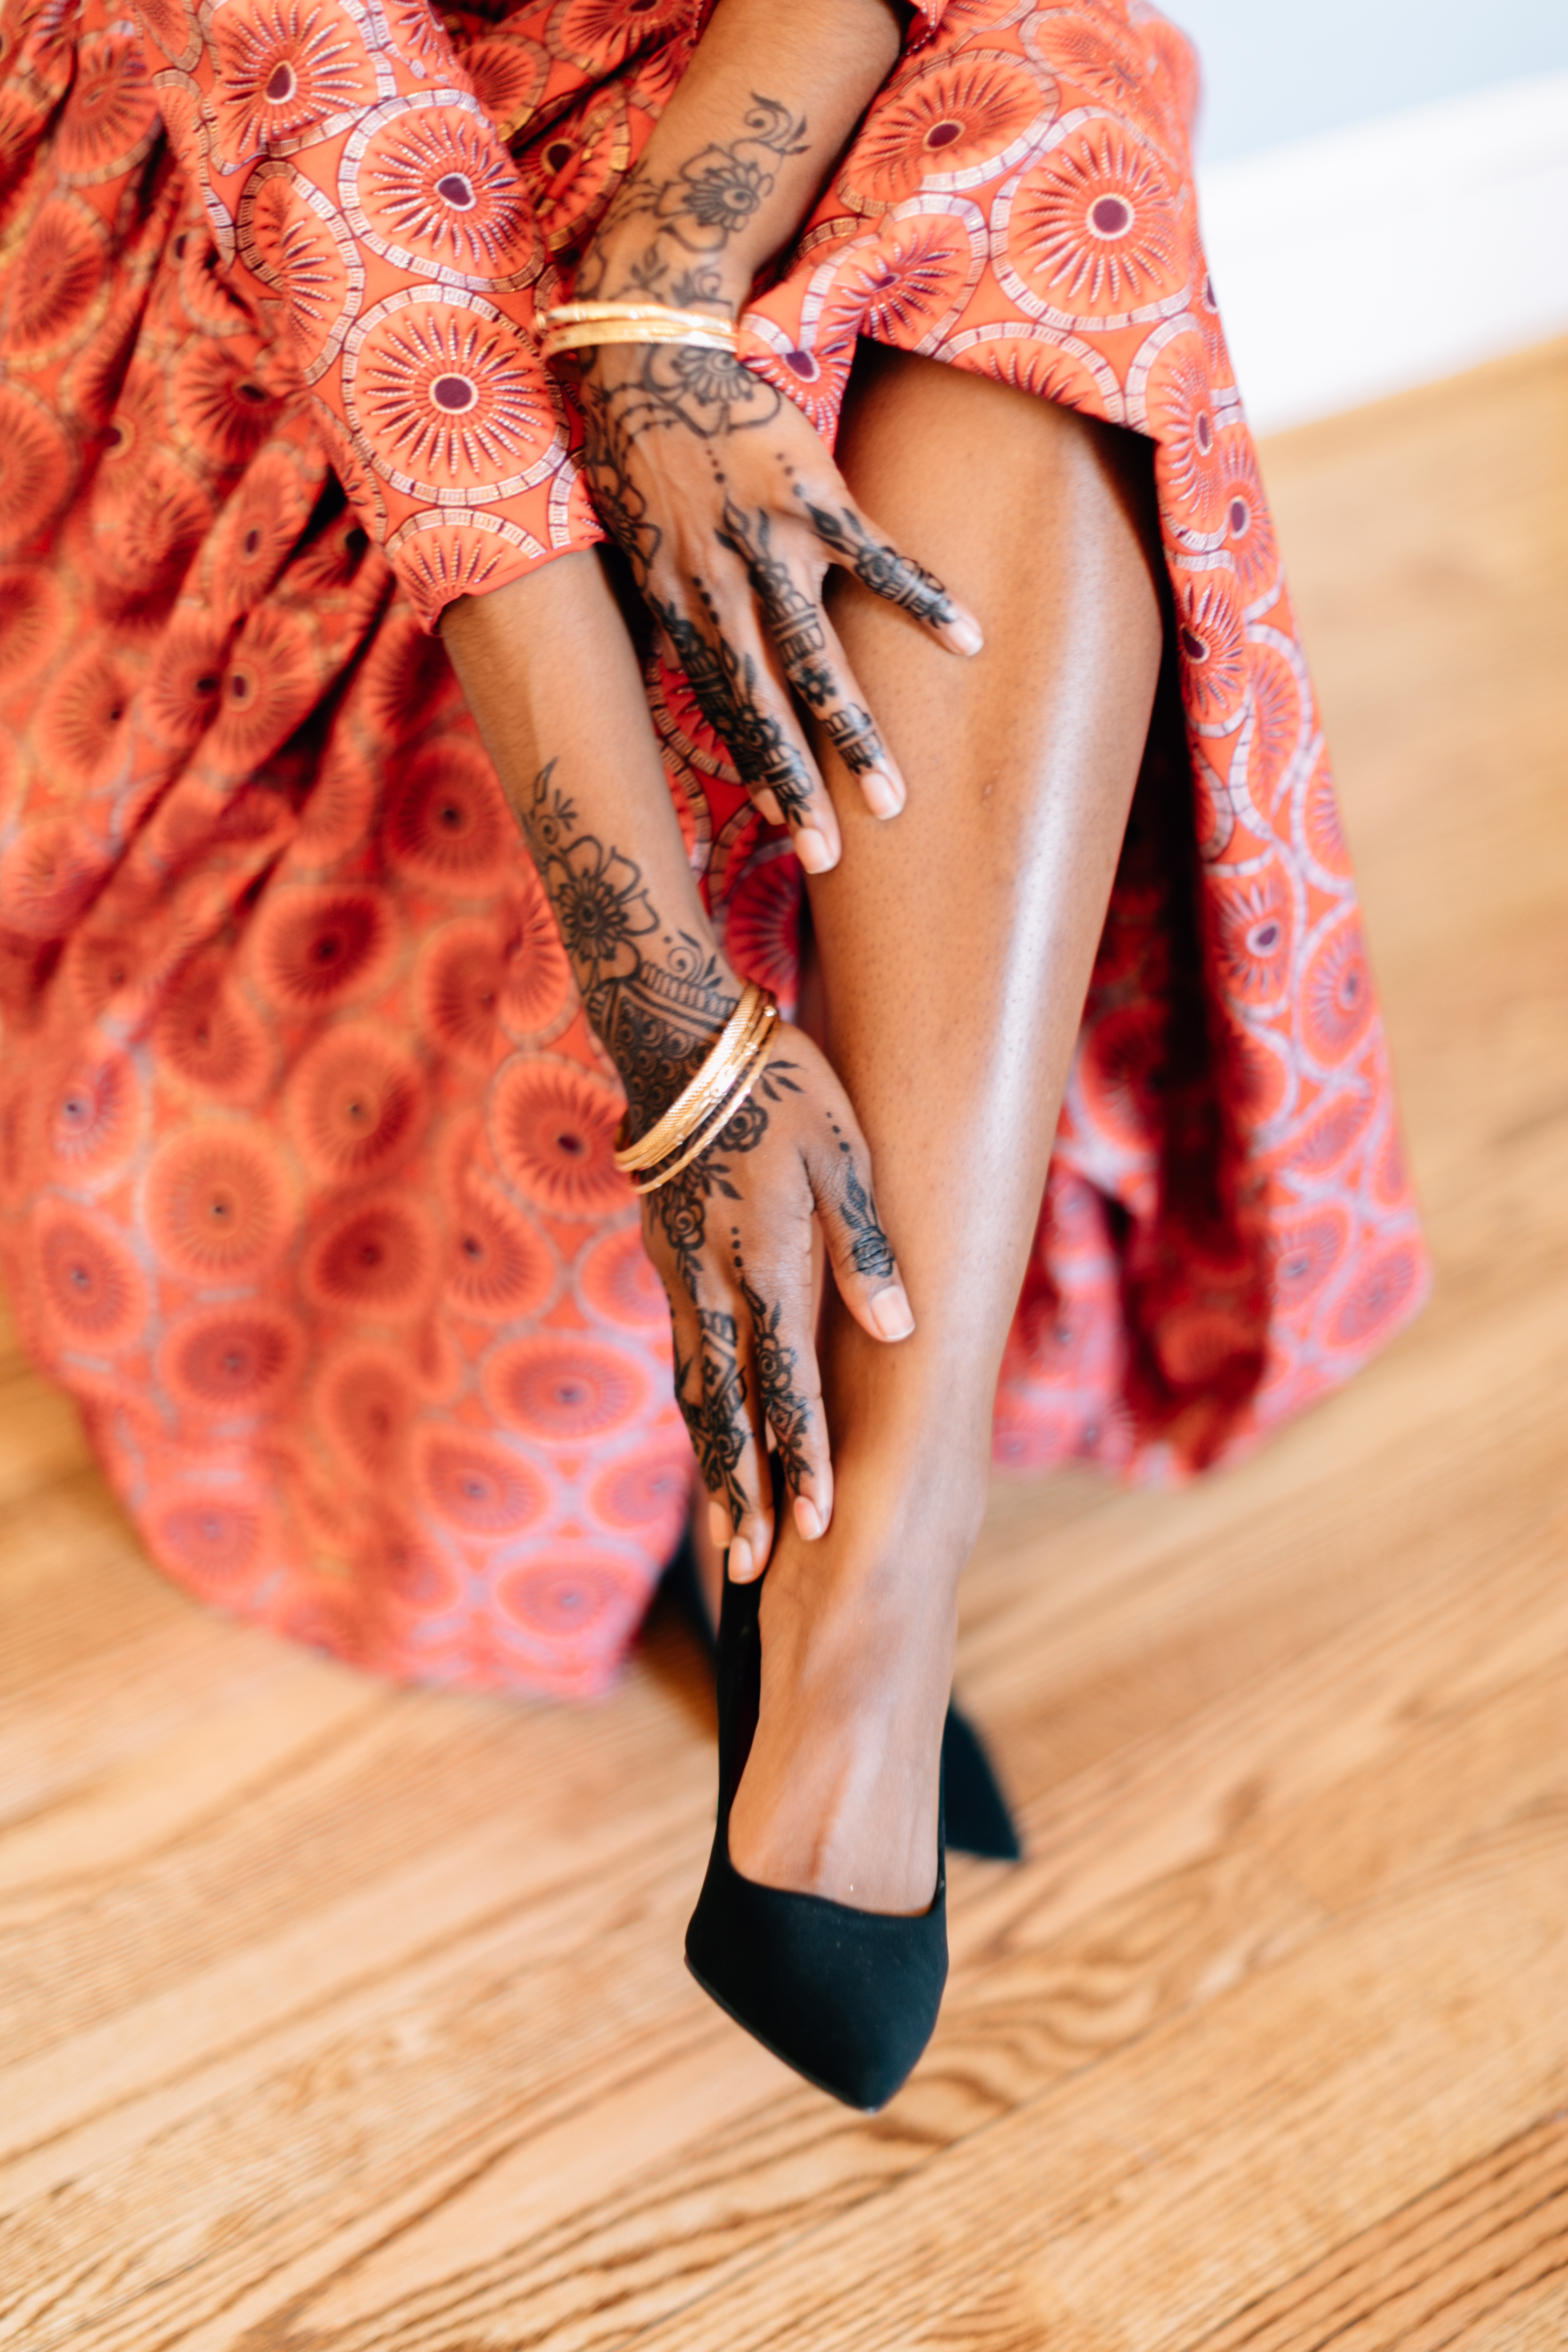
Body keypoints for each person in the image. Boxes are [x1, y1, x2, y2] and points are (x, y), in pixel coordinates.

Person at [0, 0, 1427, 2099]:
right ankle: (831, 1543)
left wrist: (665, 293)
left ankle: (875, 1554)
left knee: (1045, 126)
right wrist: (677, 1034)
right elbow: (330, 146)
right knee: (961, 240)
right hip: (274, 134)